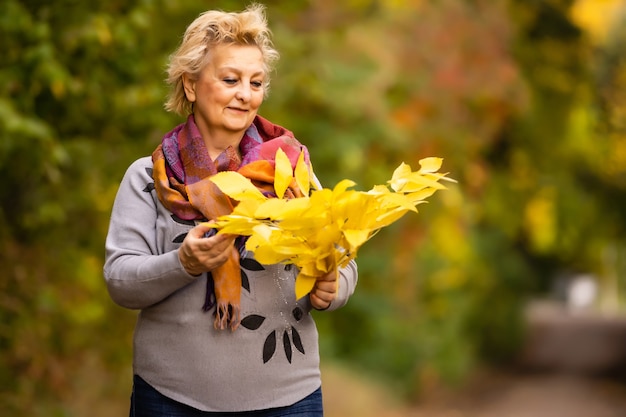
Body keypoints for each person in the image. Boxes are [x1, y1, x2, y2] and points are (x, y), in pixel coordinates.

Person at [103, 3, 358, 416]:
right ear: (190, 85)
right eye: (230, 79)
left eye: (256, 82)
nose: (246, 94)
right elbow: (119, 281)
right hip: (170, 397)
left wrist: (334, 286)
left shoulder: (290, 172)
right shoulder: (149, 178)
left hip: (288, 399)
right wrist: (182, 263)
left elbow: (343, 260)